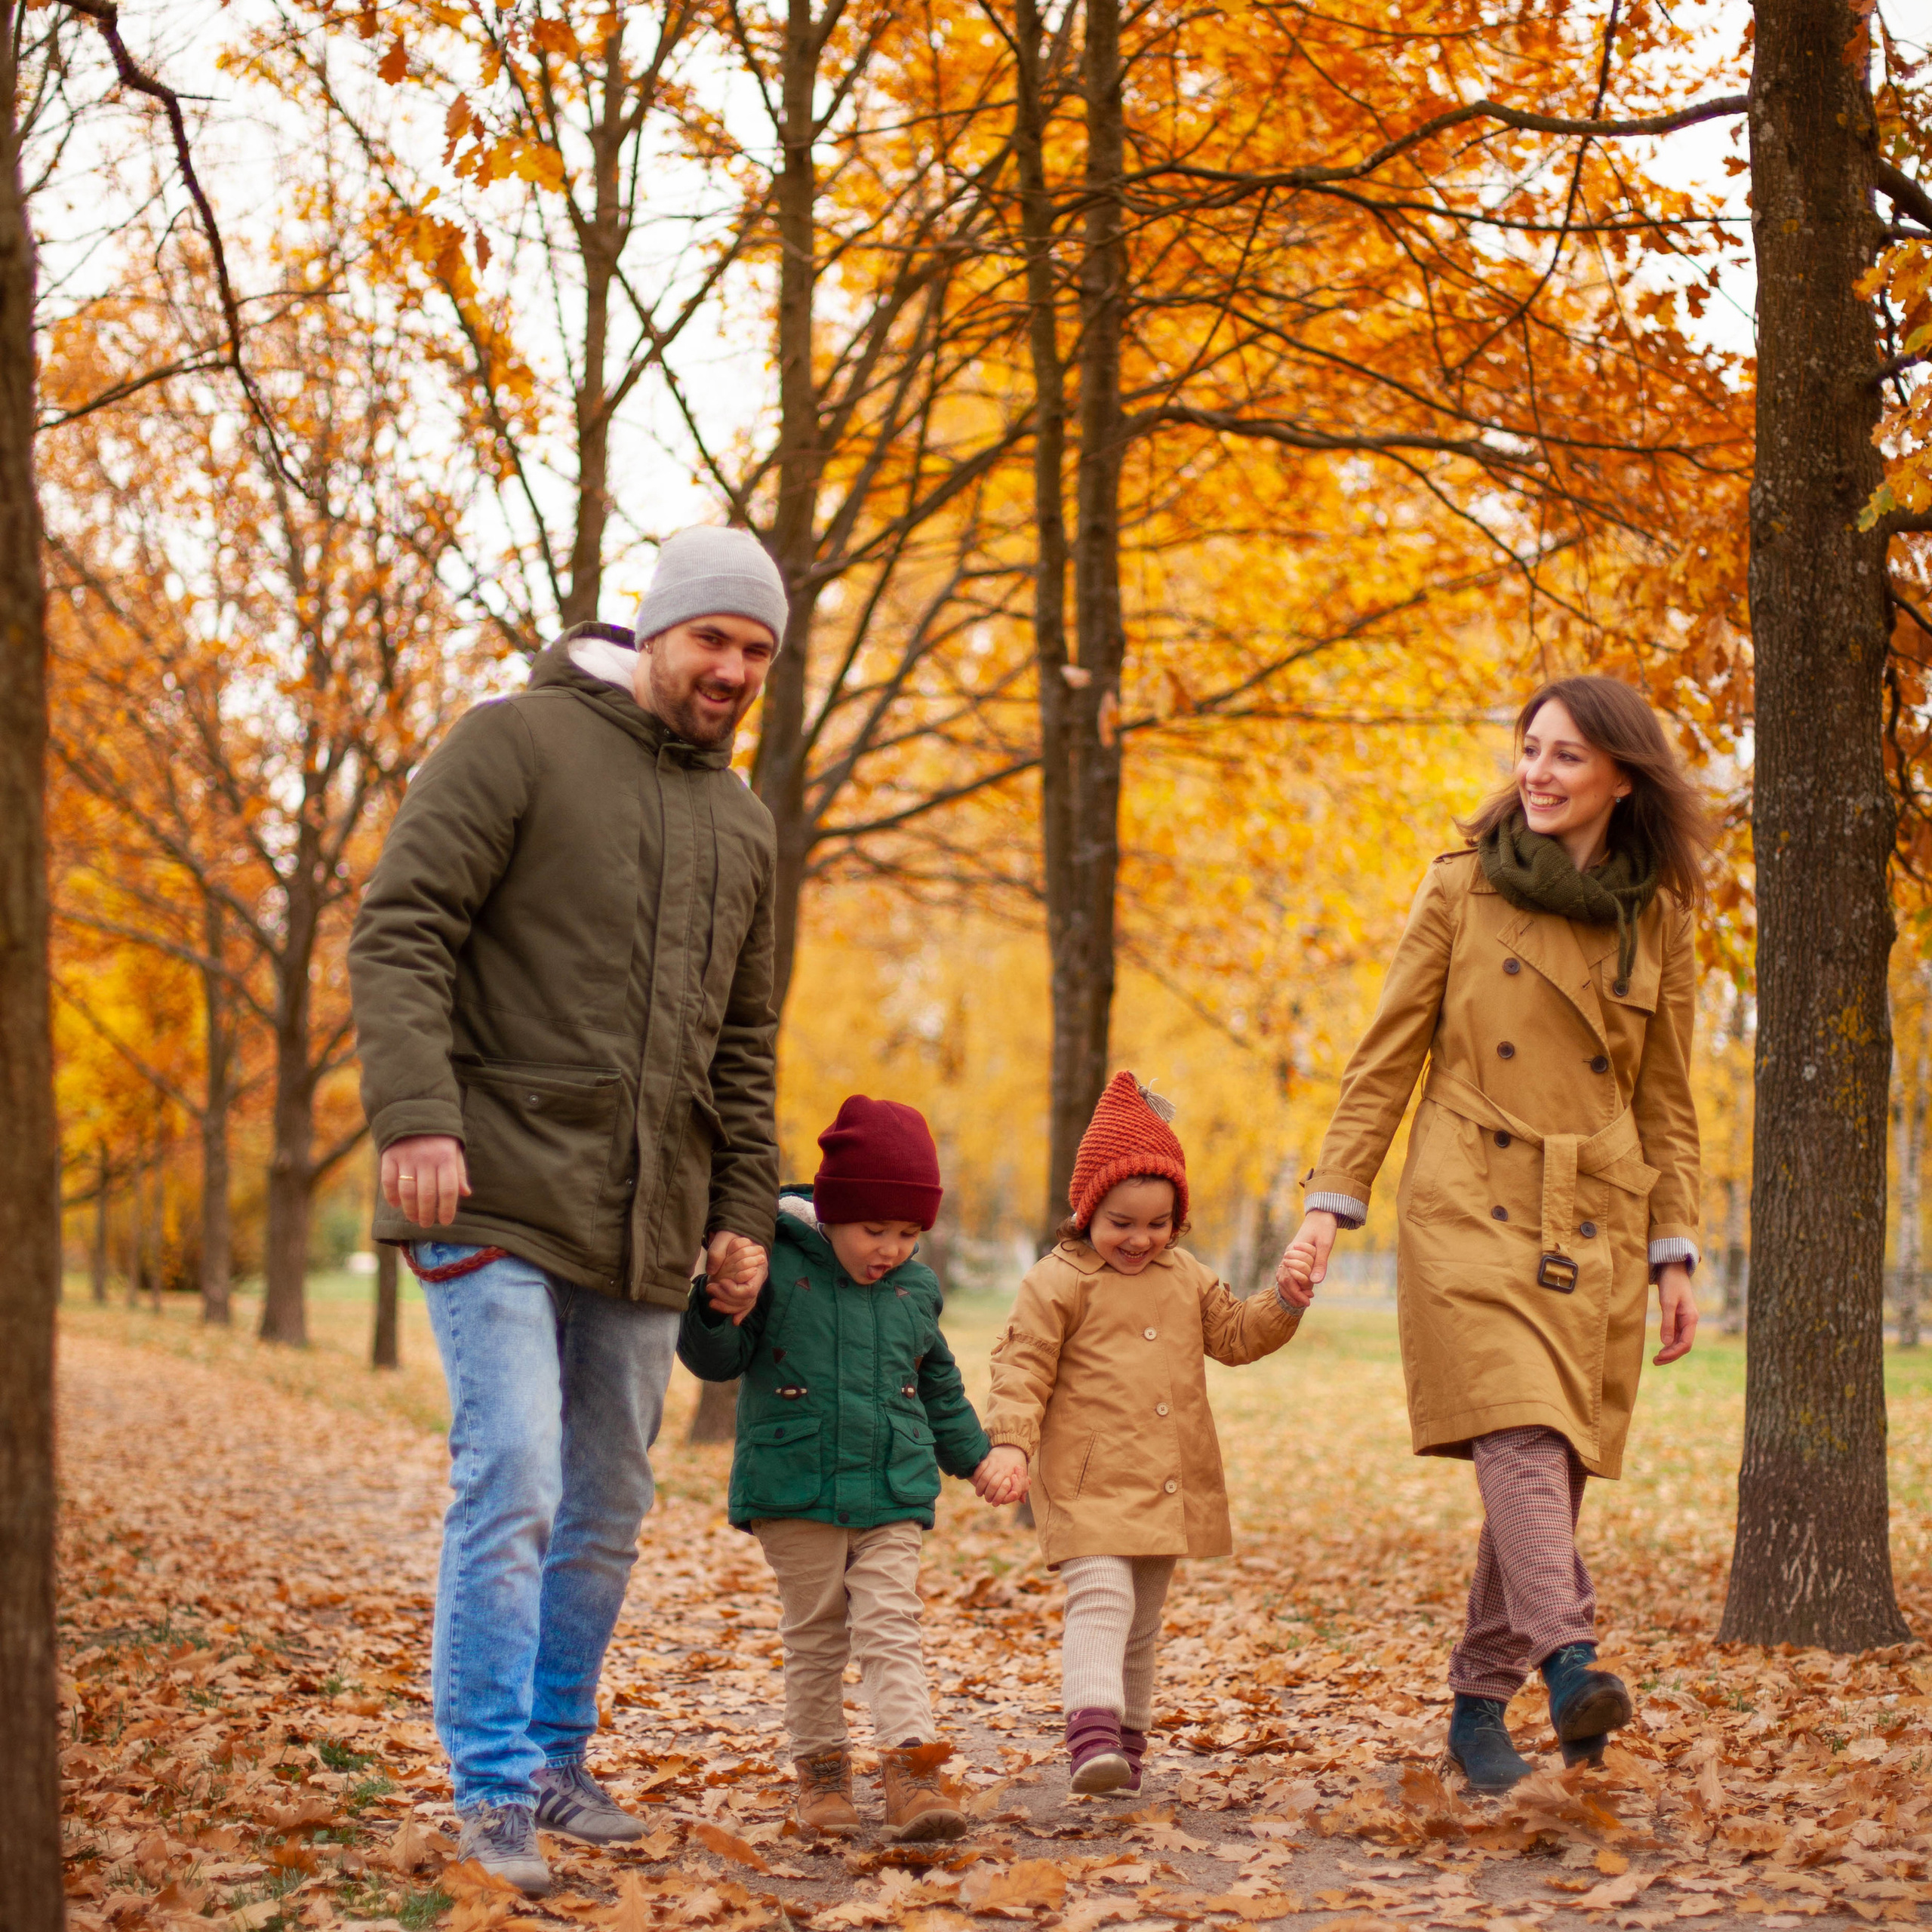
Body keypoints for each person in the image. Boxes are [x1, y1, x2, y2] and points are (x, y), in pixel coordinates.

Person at [348, 526, 791, 1895]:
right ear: (654, 630)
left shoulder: (745, 823)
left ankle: (553, 1757)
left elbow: (743, 1045)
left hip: (649, 1217)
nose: (733, 669)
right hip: (490, 1182)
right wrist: (416, 1116)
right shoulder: (515, 741)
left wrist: (742, 1212)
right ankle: (488, 1786)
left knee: (608, 1500)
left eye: (757, 650)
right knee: (519, 1473)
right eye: (713, 637)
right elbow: (402, 927)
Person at [1278, 674, 1706, 1794]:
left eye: (1566, 755)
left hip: (1591, 1209)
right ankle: (1571, 1663)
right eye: (1529, 749)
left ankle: (1477, 1712)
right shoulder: (1461, 886)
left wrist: (1674, 1249)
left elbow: (1666, 1099)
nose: (1537, 772)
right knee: (1518, 1428)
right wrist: (1330, 1203)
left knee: (1547, 1465)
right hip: (1468, 1191)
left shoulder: (1658, 918)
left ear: (1622, 776)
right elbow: (1385, 1058)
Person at [678, 1096, 1014, 1841]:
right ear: (831, 1213)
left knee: (892, 1625)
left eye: (909, 1233)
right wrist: (714, 1303)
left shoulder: (916, 1289)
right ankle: (823, 1773)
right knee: (818, 1635)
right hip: (794, 1487)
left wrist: (977, 1458)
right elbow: (717, 1360)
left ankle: (912, 1774)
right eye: (874, 1230)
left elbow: (938, 1385)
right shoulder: (771, 1263)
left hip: (893, 1487)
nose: (891, 1248)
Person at [977, 1072, 1312, 1796]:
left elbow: (1235, 1335)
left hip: (1164, 1482)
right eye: (1122, 1222)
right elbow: (1021, 1366)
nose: (1140, 1239)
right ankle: (1091, 1735)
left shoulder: (1186, 1275)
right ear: (1087, 1211)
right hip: (1086, 1482)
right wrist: (1010, 1443)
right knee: (1102, 1598)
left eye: (1158, 1224)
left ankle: (1124, 1749)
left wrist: (1283, 1302)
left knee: (1140, 1625)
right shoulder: (1057, 1281)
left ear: (1177, 1219)